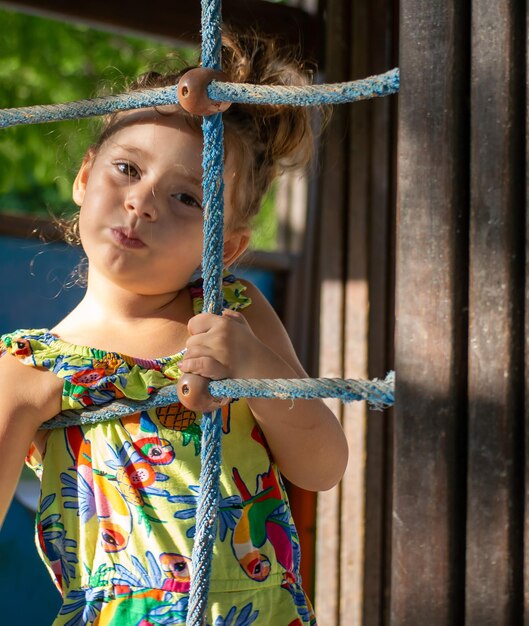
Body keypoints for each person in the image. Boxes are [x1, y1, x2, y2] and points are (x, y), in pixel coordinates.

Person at [0, 31, 348, 625]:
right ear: (85, 177)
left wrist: (254, 365)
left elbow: (323, 465)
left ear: (229, 246)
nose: (143, 203)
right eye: (127, 168)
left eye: (188, 198)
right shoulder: (30, 370)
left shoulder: (226, 311)